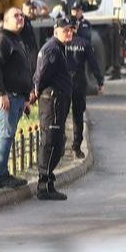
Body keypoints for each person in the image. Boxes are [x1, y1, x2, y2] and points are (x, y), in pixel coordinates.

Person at [0, 7, 34, 189]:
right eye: (16, 15)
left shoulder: (16, 39)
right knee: (5, 134)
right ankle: (0, 176)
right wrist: (1, 93)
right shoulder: (1, 39)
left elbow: (22, 69)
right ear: (5, 21)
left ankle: (2, 173)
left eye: (22, 15)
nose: (20, 18)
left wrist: (26, 97)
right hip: (7, 96)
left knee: (7, 134)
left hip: (17, 97)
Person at [32, 12, 76, 201]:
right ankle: (44, 185)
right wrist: (34, 92)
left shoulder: (59, 49)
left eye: (71, 31)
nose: (69, 34)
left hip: (59, 100)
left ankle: (49, 182)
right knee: (50, 141)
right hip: (52, 101)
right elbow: (41, 75)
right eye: (65, 31)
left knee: (58, 141)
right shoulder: (52, 49)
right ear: (55, 31)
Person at [63, 11, 104, 159]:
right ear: (77, 26)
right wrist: (100, 82)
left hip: (64, 82)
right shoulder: (84, 43)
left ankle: (60, 145)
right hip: (79, 82)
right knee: (78, 115)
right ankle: (76, 147)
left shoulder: (61, 42)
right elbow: (94, 64)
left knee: (61, 114)